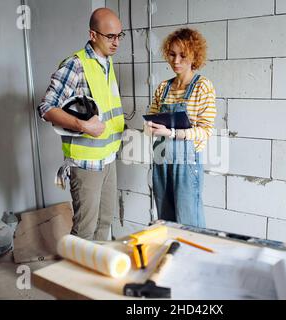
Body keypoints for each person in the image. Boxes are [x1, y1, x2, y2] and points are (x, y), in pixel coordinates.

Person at [37, 8, 125, 241]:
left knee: (104, 223)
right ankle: (72, 276)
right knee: (85, 230)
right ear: (93, 35)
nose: (116, 42)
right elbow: (45, 108)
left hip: (108, 158)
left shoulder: (106, 63)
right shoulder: (75, 65)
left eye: (119, 36)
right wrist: (83, 126)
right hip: (86, 163)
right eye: (110, 36)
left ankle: (94, 272)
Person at [145, 28, 216, 228]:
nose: (176, 61)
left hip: (187, 163)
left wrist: (173, 133)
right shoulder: (162, 88)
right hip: (161, 158)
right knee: (166, 220)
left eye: (183, 55)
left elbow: (206, 130)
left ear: (195, 56)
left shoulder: (203, 87)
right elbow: (149, 120)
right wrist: (149, 127)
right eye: (172, 54)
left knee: (188, 221)